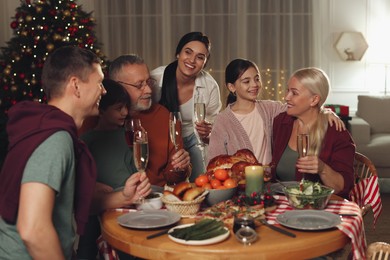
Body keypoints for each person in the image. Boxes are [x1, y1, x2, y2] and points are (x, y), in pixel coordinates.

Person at [0, 46, 107, 259]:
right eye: (99, 83)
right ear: (75, 85)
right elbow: (32, 229)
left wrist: (122, 196)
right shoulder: (55, 139)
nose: (104, 91)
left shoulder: (43, 126)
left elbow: (65, 204)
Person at [208, 59, 344, 167]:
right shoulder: (222, 120)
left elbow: (305, 106)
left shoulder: (269, 109)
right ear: (232, 87)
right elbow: (215, 163)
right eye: (246, 81)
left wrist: (325, 112)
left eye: (257, 79)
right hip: (237, 188)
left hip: (269, 185)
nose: (254, 84)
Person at [77, 78, 151, 260]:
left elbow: (137, 166)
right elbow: (81, 177)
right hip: (104, 202)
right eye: (118, 108)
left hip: (131, 200)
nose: (125, 112)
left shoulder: (129, 135)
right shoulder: (87, 140)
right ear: (101, 110)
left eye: (126, 107)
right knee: (89, 227)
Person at [271, 67, 355, 199]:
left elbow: (343, 187)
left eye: (294, 93)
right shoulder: (281, 122)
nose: (286, 97)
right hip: (282, 203)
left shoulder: (336, 133)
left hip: (319, 208)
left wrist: (323, 169)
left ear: (314, 100)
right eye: (287, 91)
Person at [110, 54, 191, 187]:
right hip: (116, 199)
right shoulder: (100, 117)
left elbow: (173, 177)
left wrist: (181, 167)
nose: (148, 90)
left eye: (148, 82)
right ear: (118, 86)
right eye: (139, 85)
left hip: (155, 198)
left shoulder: (164, 116)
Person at [151, 32, 222, 181]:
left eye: (200, 57)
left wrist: (209, 130)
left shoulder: (210, 86)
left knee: (202, 182)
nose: (192, 60)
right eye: (188, 52)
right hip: (164, 138)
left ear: (204, 63)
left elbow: (215, 124)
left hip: (192, 137)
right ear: (178, 53)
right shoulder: (156, 79)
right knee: (167, 182)